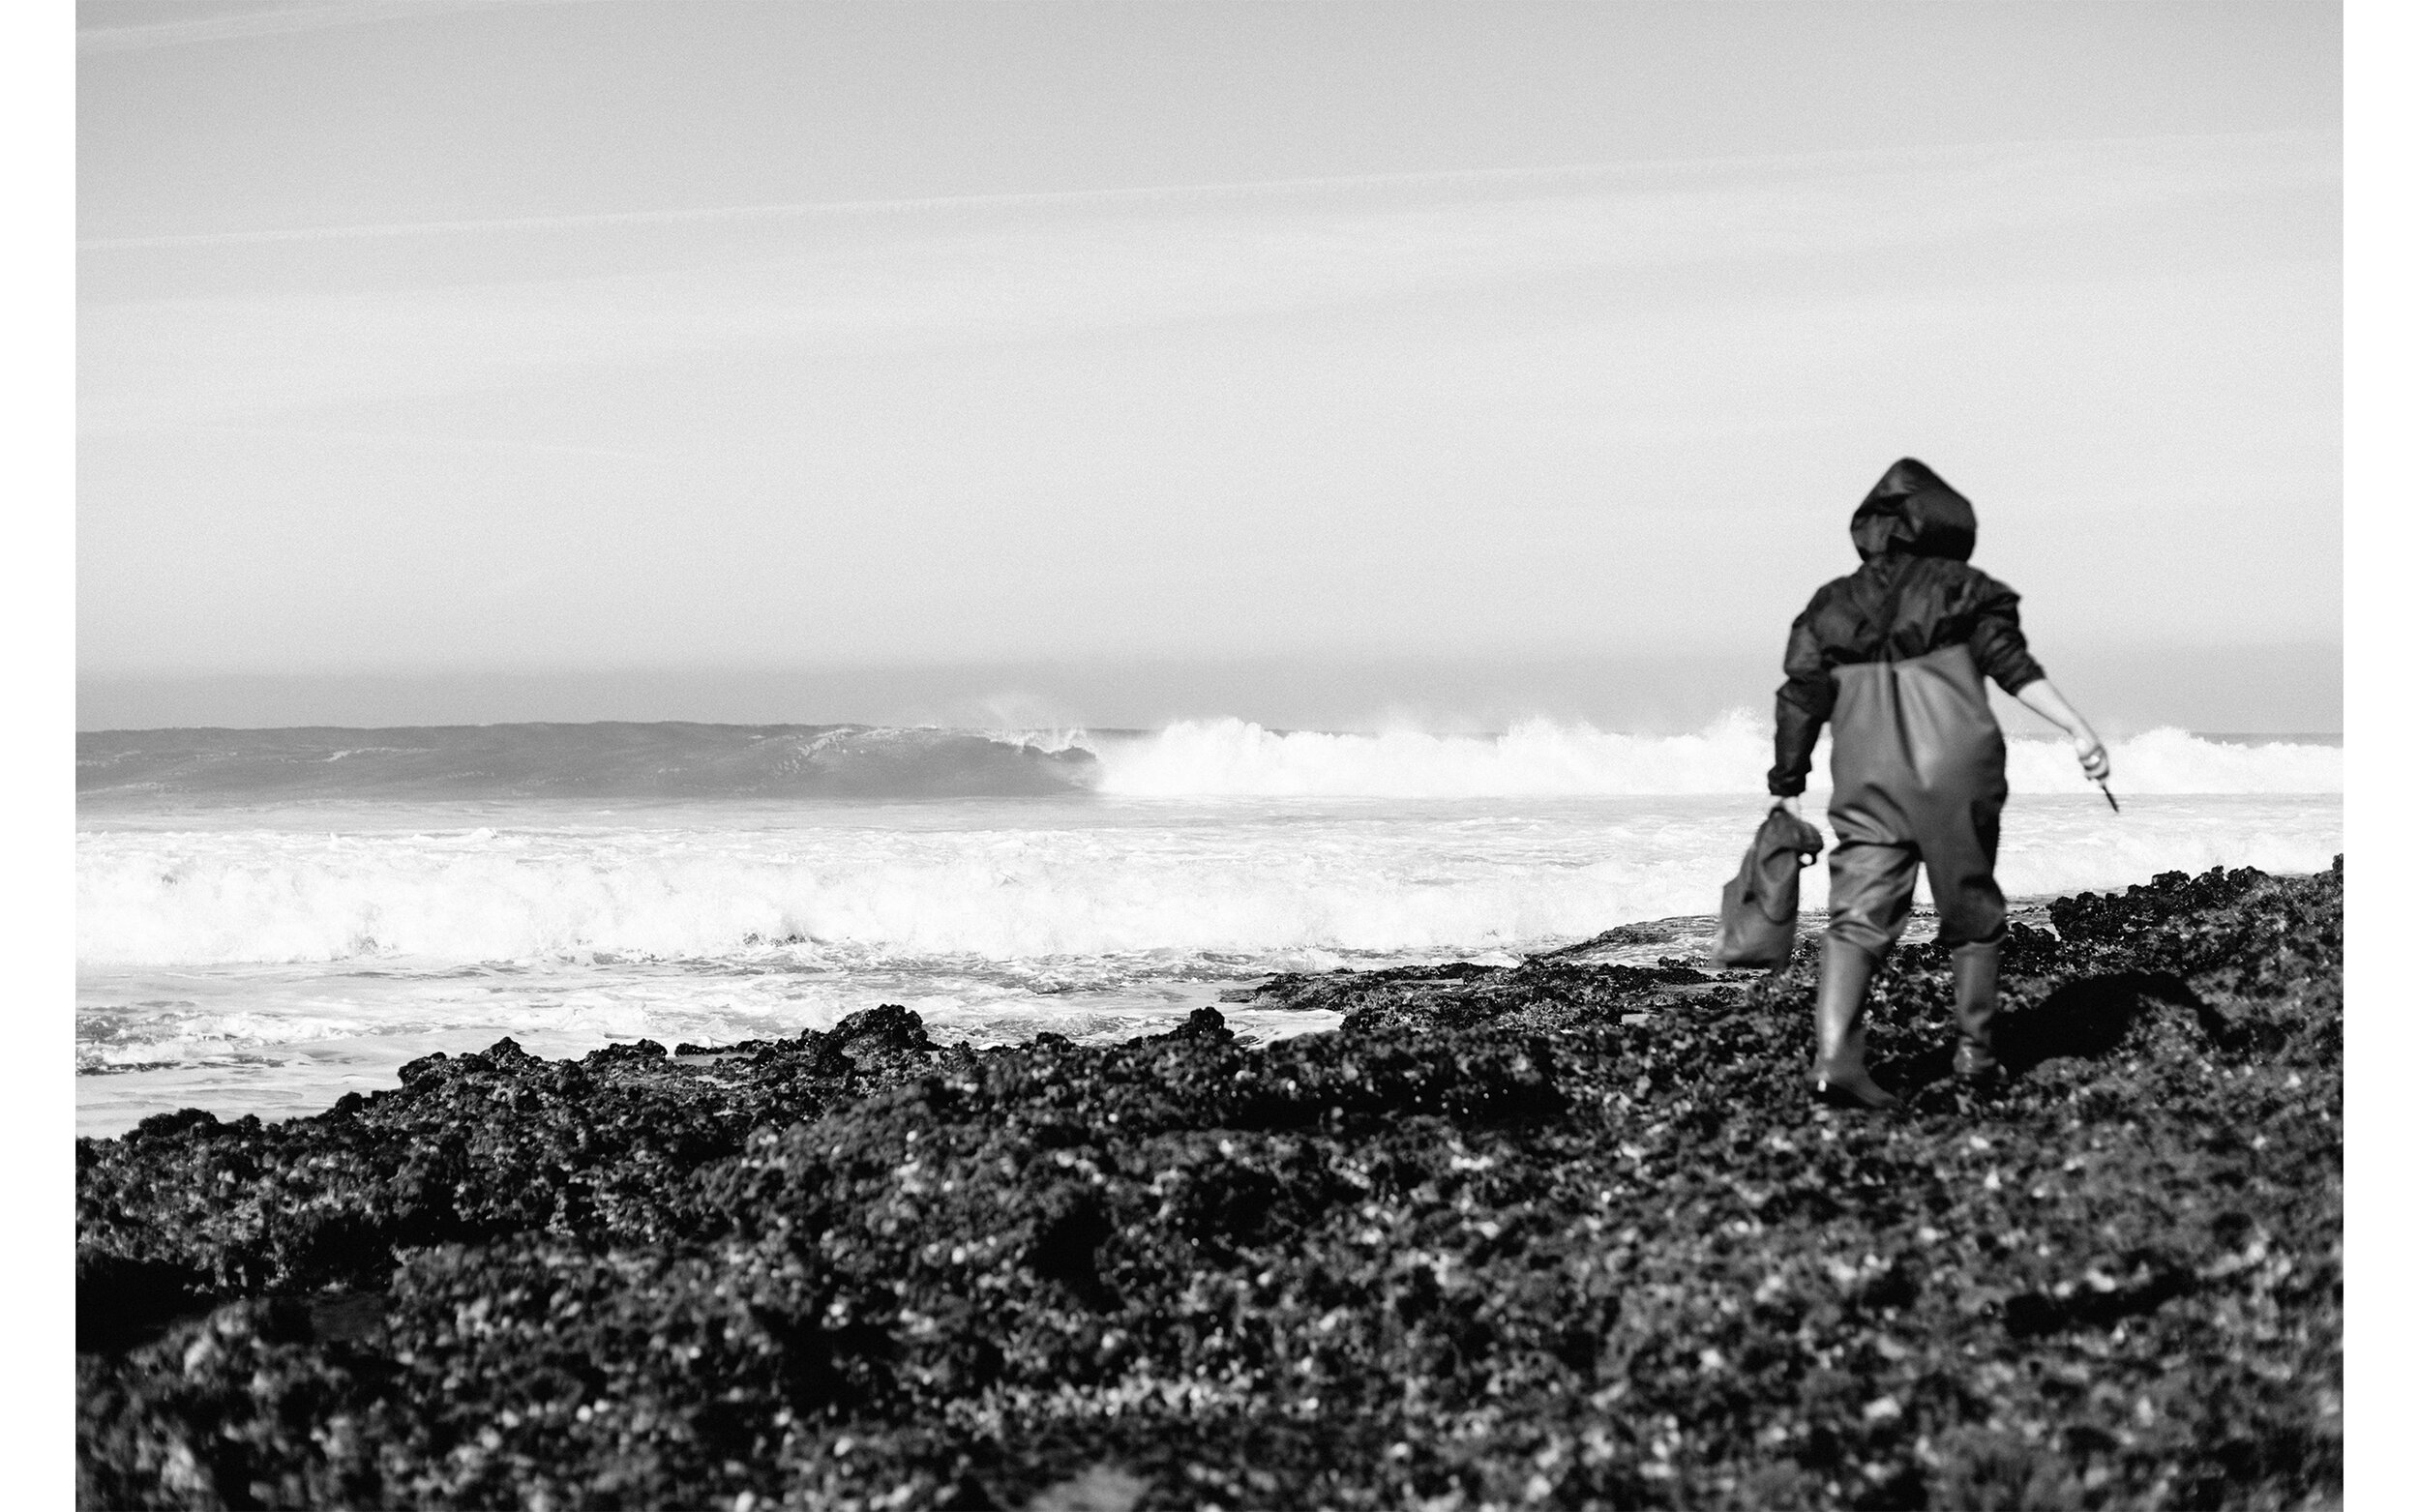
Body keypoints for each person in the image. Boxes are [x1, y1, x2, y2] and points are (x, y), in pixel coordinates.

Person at [1768, 459, 2110, 1110]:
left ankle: (1835, 1060)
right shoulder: (1964, 588)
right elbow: (2011, 665)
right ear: (1948, 523)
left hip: (1866, 772)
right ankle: (1976, 1057)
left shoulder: (1831, 601)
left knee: (1858, 918)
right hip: (1956, 765)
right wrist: (2077, 728)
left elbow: (1802, 694)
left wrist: (1787, 781)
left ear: (1871, 527)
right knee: (1971, 908)